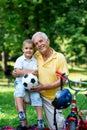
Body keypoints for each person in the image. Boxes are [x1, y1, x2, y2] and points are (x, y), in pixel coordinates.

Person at [13, 32, 69, 130]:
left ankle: (46, 122)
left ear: (47, 41)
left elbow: (63, 80)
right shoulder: (35, 55)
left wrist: (43, 87)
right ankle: (24, 125)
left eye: (41, 41)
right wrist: (16, 72)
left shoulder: (59, 57)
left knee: (57, 127)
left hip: (50, 98)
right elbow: (22, 66)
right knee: (18, 94)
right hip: (33, 92)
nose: (39, 44)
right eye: (36, 43)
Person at [13, 39, 44, 130]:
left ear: (33, 50)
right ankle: (21, 112)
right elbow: (17, 71)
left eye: (30, 48)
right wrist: (29, 71)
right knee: (19, 91)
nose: (28, 50)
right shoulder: (20, 59)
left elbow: (36, 73)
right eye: (26, 48)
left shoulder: (35, 60)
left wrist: (23, 72)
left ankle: (40, 120)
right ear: (23, 49)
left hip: (32, 83)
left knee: (37, 97)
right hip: (20, 82)